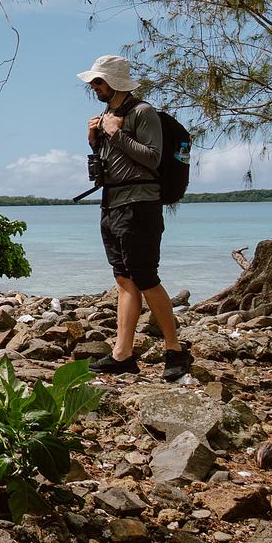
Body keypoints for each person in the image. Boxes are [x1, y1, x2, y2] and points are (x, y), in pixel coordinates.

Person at [79, 55, 193, 381]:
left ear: (113, 82)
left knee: (146, 277)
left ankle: (175, 350)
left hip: (140, 206)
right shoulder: (106, 116)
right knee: (124, 280)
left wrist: (115, 134)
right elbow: (109, 166)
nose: (93, 87)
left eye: (98, 81)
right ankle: (122, 354)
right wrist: (95, 141)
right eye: (93, 82)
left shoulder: (143, 113)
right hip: (112, 206)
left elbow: (153, 158)